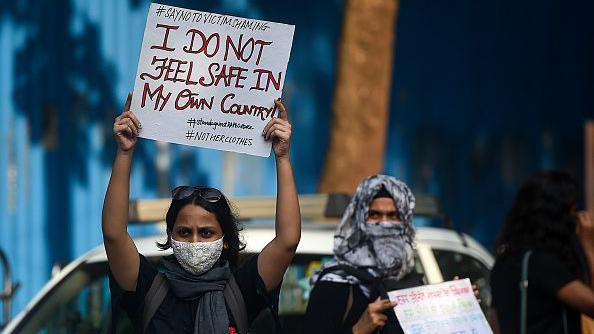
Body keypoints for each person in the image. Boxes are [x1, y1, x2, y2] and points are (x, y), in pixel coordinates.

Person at [102, 93, 301, 333]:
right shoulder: (149, 289)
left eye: (206, 233)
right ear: (170, 235)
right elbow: (114, 235)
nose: (195, 242)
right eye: (184, 232)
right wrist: (124, 153)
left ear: (225, 240)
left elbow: (287, 241)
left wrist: (282, 158)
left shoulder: (240, 291)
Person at [304, 175, 423, 334]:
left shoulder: (409, 278)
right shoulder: (336, 282)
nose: (384, 223)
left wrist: (460, 302)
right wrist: (358, 330)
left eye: (393, 216)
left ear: (405, 221)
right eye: (374, 215)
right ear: (359, 218)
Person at [490, 171, 594, 334]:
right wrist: (588, 245)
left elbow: (496, 326)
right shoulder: (544, 265)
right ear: (559, 217)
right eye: (573, 211)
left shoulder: (503, 263)